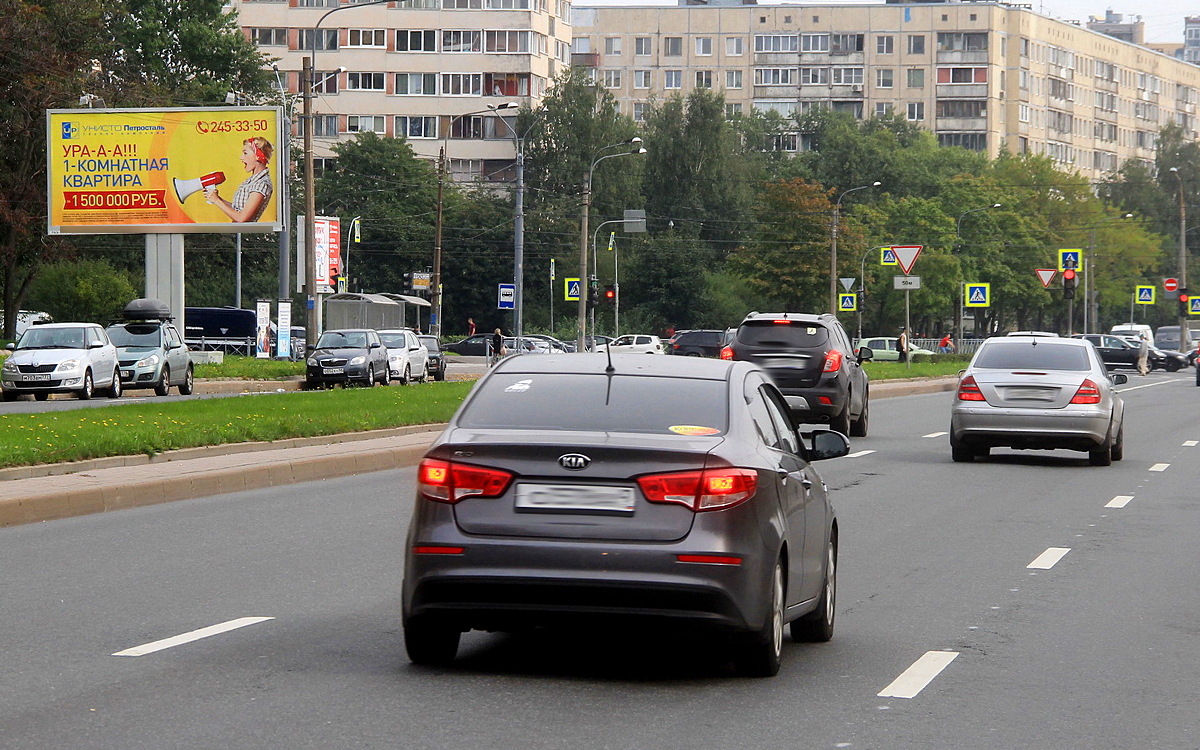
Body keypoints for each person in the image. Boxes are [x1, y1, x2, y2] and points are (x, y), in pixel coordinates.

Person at [206, 137, 274, 223]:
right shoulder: (252, 181)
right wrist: (217, 198)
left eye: (245, 153)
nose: (241, 158)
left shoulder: (261, 184)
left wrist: (216, 200)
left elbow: (242, 218)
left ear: (258, 156)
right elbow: (237, 209)